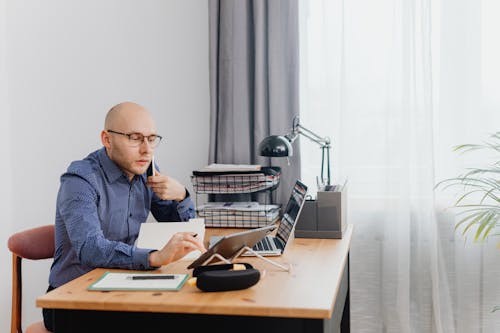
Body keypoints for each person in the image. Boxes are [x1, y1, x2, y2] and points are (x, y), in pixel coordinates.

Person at [43, 102, 205, 331]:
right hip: (71, 300)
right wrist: (154, 258)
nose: (146, 149)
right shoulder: (79, 180)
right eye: (135, 138)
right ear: (107, 139)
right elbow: (90, 247)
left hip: (124, 285)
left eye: (151, 138)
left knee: (200, 312)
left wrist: (182, 196)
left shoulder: (145, 170)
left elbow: (180, 230)